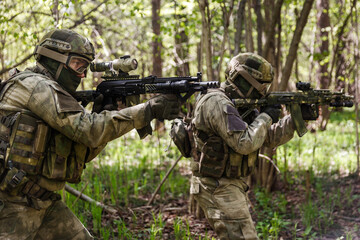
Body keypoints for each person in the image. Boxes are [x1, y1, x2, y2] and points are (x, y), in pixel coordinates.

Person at [0, 29, 180, 239]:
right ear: (55, 59)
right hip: (11, 205)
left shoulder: (51, 92)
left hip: (42, 202)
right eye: (78, 65)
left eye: (85, 67)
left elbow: (83, 151)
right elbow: (88, 130)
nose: (83, 74)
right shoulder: (35, 86)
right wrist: (146, 110)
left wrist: (108, 112)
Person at [189, 53, 308, 240]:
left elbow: (265, 137)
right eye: (259, 86)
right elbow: (244, 143)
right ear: (242, 80)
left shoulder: (238, 104)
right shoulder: (216, 102)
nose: (262, 92)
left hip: (228, 184)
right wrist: (266, 116)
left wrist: (296, 120)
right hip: (217, 185)